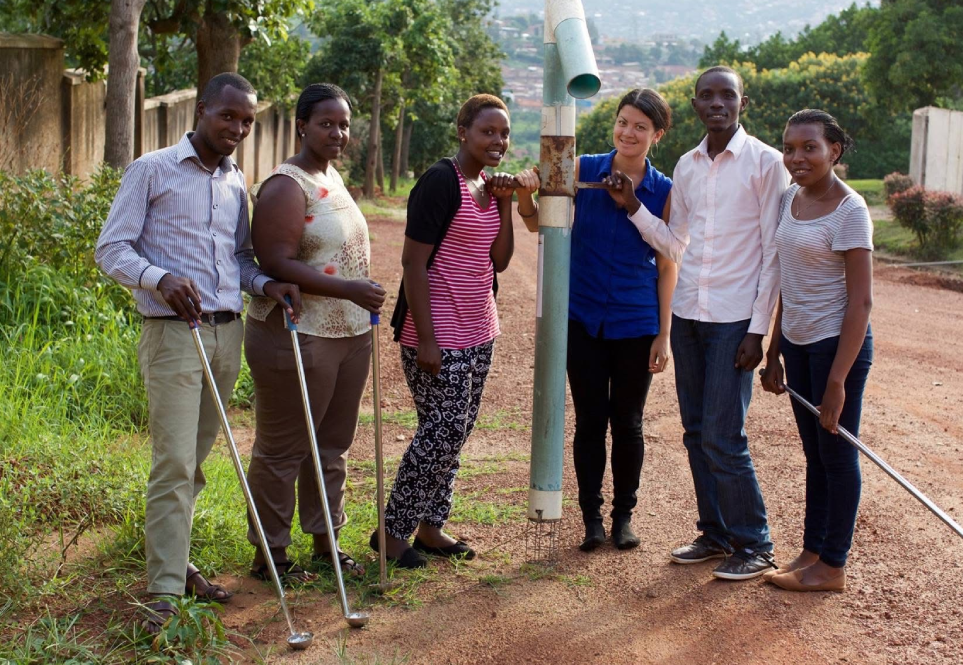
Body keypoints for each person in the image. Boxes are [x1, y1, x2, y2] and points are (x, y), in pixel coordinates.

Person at [95, 72, 300, 633]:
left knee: (197, 460)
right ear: (202, 110)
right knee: (174, 463)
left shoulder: (237, 182)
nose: (236, 129)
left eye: (247, 122)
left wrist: (267, 286)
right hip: (173, 334)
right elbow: (110, 248)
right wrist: (160, 278)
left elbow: (238, 259)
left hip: (226, 333)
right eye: (227, 116)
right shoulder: (152, 169)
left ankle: (177, 563)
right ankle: (162, 592)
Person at [626, 66, 788, 580]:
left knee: (724, 435)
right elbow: (676, 244)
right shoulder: (687, 166)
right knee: (696, 432)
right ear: (695, 103)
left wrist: (758, 331)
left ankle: (755, 542)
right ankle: (716, 534)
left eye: (727, 95)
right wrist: (633, 207)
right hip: (690, 314)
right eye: (707, 95)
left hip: (733, 320)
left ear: (743, 101)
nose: (717, 103)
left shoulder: (767, 164)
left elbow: (773, 254)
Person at [513, 88, 676, 552]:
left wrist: (664, 334)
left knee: (628, 422)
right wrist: (526, 195)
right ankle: (591, 519)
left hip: (635, 321)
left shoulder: (663, 190)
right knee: (588, 420)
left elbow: (668, 262)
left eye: (640, 126)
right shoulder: (583, 168)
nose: (628, 132)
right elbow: (534, 224)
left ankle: (624, 516)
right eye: (623, 122)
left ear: (657, 135)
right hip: (580, 318)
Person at [242, 83, 384, 585]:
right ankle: (271, 554)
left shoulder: (333, 176)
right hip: (297, 331)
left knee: (332, 444)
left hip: (347, 334)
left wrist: (352, 297)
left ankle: (327, 541)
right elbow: (274, 260)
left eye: (344, 124)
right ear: (302, 125)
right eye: (327, 123)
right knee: (285, 447)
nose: (338, 133)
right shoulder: (286, 185)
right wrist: (348, 287)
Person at [375, 94, 517, 569]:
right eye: (487, 131)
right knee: (440, 431)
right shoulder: (441, 181)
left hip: (480, 328)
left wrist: (507, 204)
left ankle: (431, 527)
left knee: (454, 432)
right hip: (436, 332)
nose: (497, 141)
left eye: (504, 133)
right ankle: (393, 533)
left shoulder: (487, 186)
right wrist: (428, 340)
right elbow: (413, 262)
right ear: (463, 132)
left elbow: (499, 260)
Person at [761, 109, 873, 593]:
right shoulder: (790, 199)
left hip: (837, 350)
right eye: (789, 148)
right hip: (800, 344)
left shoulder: (851, 210)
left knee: (838, 454)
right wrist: (774, 350)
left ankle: (833, 565)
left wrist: (837, 382)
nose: (797, 157)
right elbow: (789, 281)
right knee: (815, 454)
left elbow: (862, 301)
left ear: (835, 151)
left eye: (810, 147)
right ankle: (812, 550)